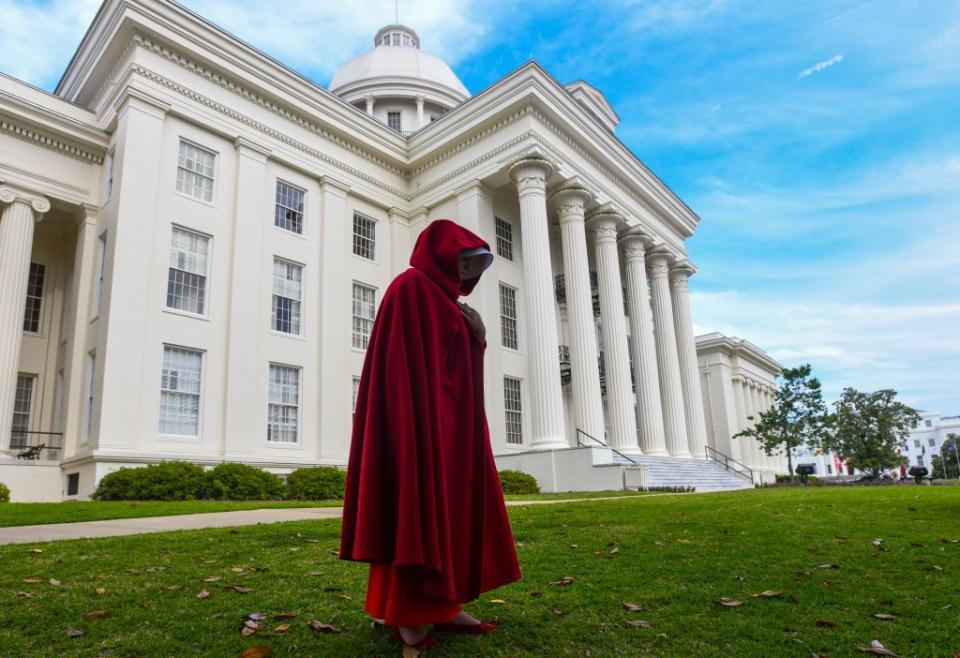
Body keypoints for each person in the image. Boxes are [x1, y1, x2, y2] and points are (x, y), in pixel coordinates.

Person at [339, 219, 522, 651]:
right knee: (416, 510)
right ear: (439, 255)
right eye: (460, 261)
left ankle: (448, 604)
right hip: (418, 425)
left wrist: (477, 338)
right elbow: (402, 369)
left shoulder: (450, 303)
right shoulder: (410, 288)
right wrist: (413, 430)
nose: (464, 272)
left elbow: (453, 364)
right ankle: (408, 616)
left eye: (471, 265)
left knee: (452, 509)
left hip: (452, 427)